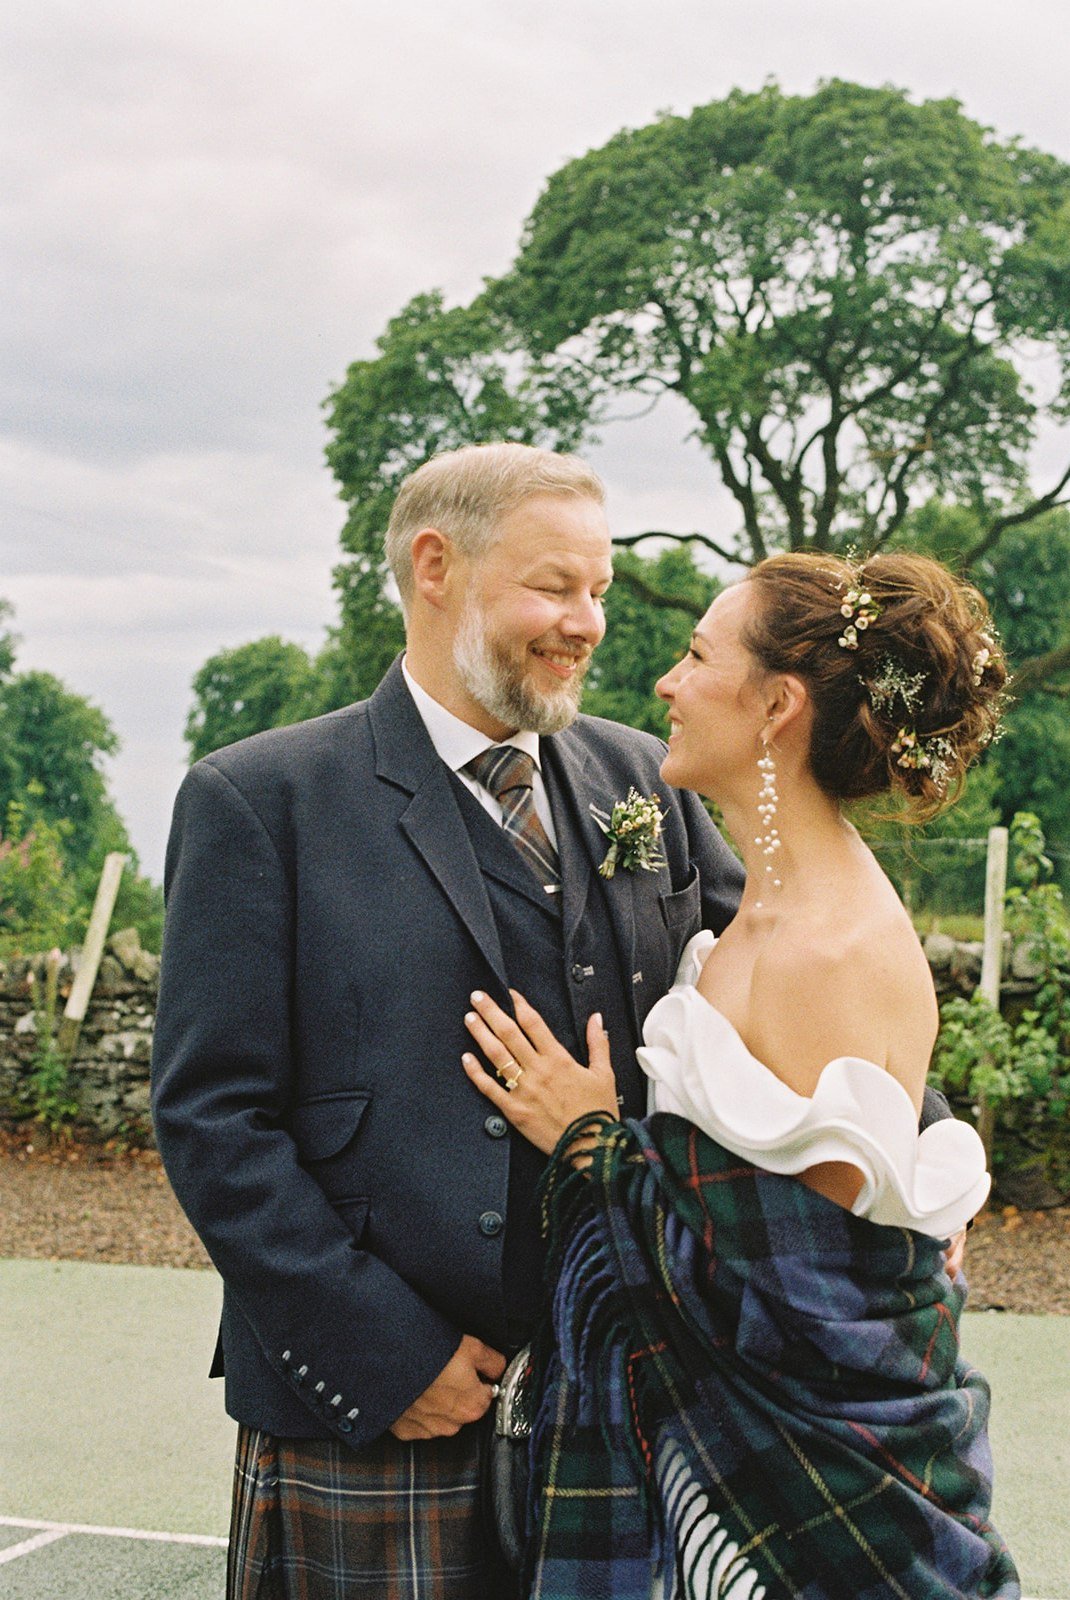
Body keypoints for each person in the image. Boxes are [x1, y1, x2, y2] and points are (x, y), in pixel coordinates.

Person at [150, 441, 749, 1600]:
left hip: (613, 1385)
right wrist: (386, 1355)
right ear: (436, 565)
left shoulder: (646, 780)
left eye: (601, 591)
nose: (586, 622)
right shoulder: (259, 800)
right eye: (554, 586)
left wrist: (913, 1133)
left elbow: (785, 967)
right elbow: (212, 1117)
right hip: (376, 1417)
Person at [461, 550, 1020, 1598]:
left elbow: (795, 1307)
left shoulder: (829, 951)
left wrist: (590, 1143)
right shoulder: (758, 913)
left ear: (775, 704)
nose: (664, 684)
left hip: (805, 1502)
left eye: (691, 654)